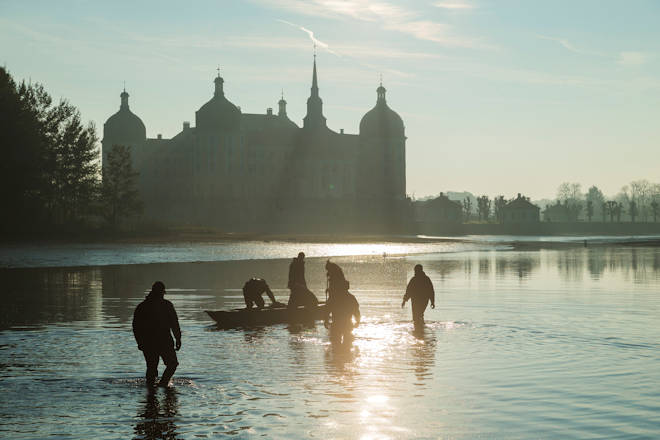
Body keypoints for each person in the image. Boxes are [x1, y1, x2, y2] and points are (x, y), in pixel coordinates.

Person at [132, 281, 181, 387]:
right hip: (164, 341)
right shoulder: (167, 305)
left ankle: (151, 391)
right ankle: (163, 384)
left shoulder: (142, 306)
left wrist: (139, 342)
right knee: (172, 364)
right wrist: (178, 339)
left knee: (151, 367)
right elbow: (174, 324)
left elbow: (136, 327)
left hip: (148, 342)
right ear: (162, 292)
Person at [324, 262, 360, 344]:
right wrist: (357, 321)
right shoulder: (351, 298)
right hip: (347, 324)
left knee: (335, 346)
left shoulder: (334, 298)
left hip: (336, 324)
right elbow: (356, 311)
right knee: (347, 346)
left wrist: (326, 320)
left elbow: (327, 309)